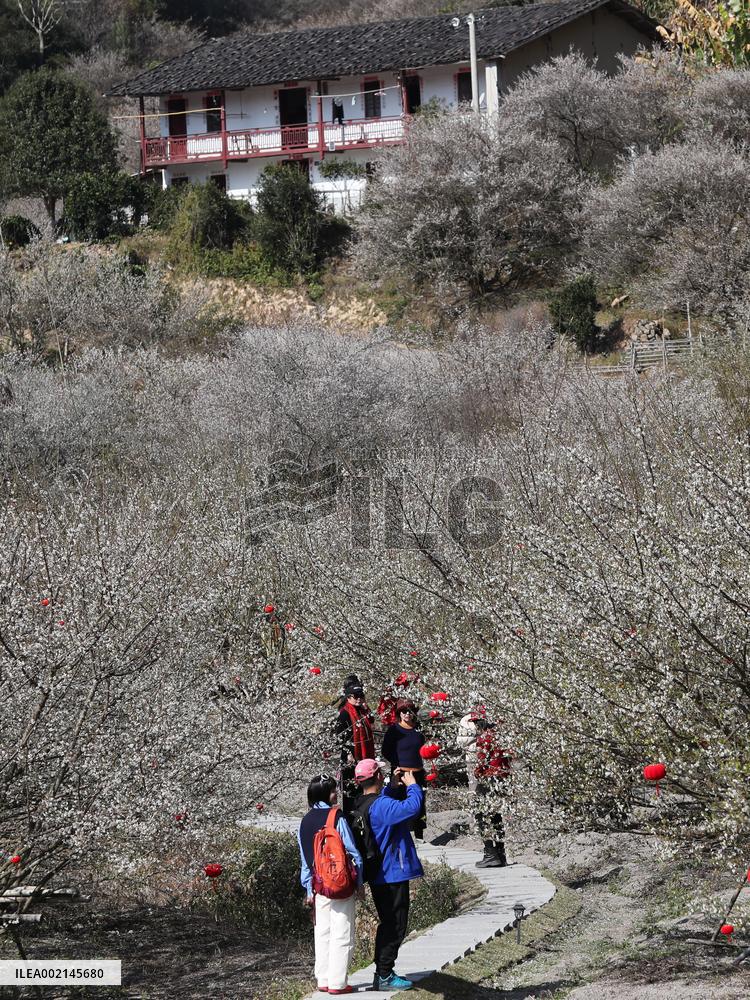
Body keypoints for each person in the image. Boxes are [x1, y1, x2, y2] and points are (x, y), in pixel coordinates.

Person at [353, 758, 423, 992]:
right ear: (377, 776)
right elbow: (410, 809)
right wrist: (413, 785)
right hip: (391, 871)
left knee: (389, 923)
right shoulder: (382, 806)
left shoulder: (363, 802)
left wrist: (393, 787)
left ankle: (383, 972)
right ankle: (384, 974)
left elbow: (387, 804)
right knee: (395, 924)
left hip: (378, 873)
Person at [297, 774, 363, 995]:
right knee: (342, 931)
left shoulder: (304, 821)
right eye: (334, 790)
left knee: (322, 931)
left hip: (318, 886)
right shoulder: (336, 817)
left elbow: (305, 860)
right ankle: (338, 983)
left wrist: (308, 889)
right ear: (326, 793)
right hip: (340, 883)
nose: (337, 793)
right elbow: (353, 853)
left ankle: (323, 979)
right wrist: (359, 882)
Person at [381, 698, 427, 839]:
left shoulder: (419, 729)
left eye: (410, 711)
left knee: (419, 804)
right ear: (399, 713)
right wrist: (397, 763)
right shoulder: (394, 730)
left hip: (418, 772)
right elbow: (385, 751)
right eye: (404, 711)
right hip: (401, 773)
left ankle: (419, 837)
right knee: (400, 804)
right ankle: (402, 836)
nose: (407, 714)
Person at [473, 719, 512, 868]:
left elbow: (482, 762)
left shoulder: (484, 737)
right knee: (496, 815)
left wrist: (477, 773)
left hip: (488, 778)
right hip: (502, 777)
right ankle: (501, 853)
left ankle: (490, 852)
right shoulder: (503, 736)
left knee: (480, 814)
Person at [334, 675, 375, 813]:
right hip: (351, 762)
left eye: (361, 695)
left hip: (364, 760)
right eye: (355, 695)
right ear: (348, 697)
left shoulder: (362, 711)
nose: (358, 698)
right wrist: (348, 752)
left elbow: (372, 723)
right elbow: (337, 737)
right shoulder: (344, 714)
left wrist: (366, 708)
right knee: (352, 798)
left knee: (365, 795)